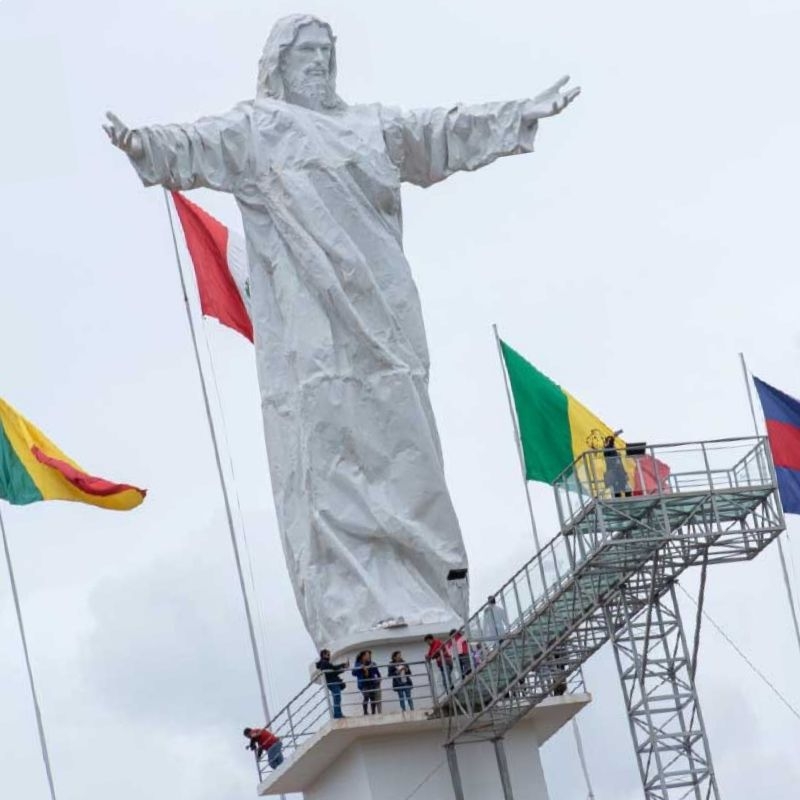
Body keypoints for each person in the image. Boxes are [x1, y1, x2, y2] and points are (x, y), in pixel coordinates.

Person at [103, 14, 579, 650]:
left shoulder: (369, 126)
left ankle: (431, 591)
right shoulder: (259, 128)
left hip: (385, 314)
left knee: (403, 437)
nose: (319, 63)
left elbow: (440, 132)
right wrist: (144, 144)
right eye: (307, 52)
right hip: (311, 321)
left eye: (327, 52)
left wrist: (518, 113)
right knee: (327, 437)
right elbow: (196, 144)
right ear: (280, 62)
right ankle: (355, 602)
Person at [316, 649, 348, 719]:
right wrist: (342, 665)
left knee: (336, 698)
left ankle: (338, 714)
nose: (329, 656)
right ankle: (338, 714)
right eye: (328, 654)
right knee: (337, 698)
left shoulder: (323, 663)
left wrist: (342, 668)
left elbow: (333, 671)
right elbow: (333, 669)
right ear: (323, 655)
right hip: (333, 682)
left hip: (331, 682)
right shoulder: (324, 663)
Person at [352, 650, 382, 715]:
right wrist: (361, 668)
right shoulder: (358, 664)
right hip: (363, 684)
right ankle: (365, 712)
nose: (369, 656)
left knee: (373, 698)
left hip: (371, 683)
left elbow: (376, 672)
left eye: (369, 655)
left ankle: (373, 713)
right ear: (363, 656)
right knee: (366, 696)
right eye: (367, 655)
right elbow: (353, 673)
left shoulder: (371, 663)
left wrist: (378, 678)